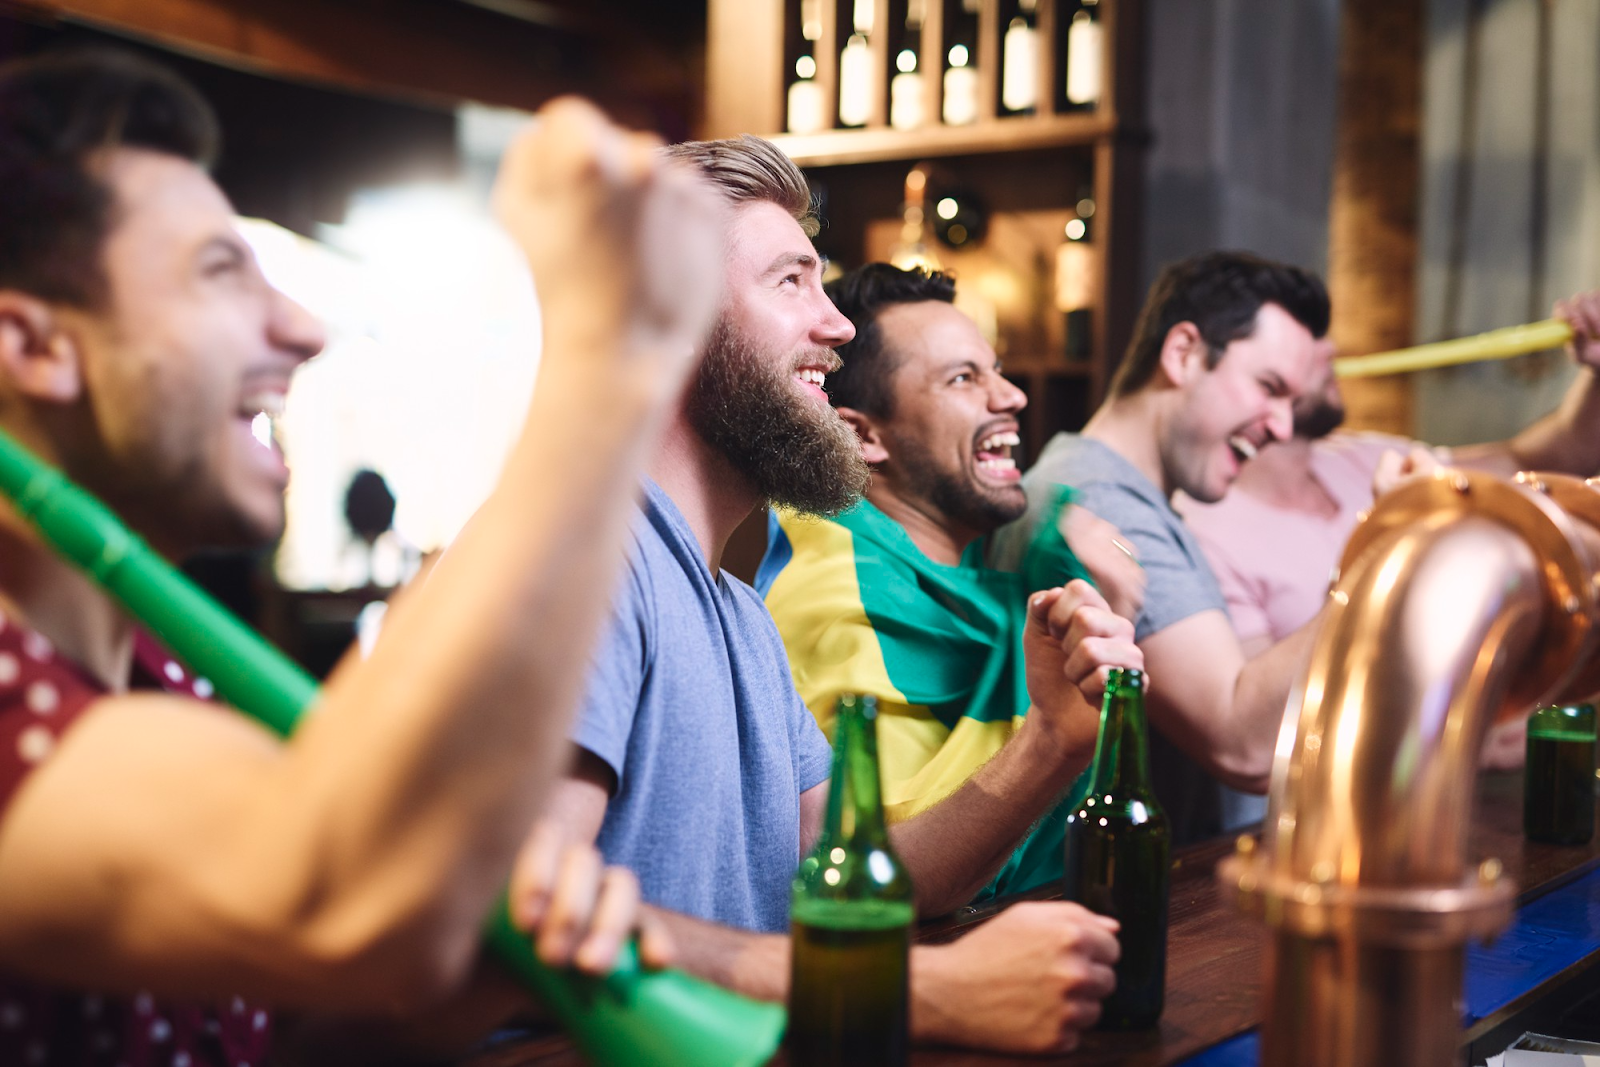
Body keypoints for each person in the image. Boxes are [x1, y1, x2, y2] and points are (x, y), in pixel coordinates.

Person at [0, 50, 716, 1064]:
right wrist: (611, 350)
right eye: (218, 268)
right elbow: (343, 892)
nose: (304, 327)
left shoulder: (163, 684)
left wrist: (473, 961)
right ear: (35, 348)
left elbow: (262, 1025)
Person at [545, 139, 1135, 1055]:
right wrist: (923, 988)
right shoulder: (584, 566)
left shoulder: (735, 608)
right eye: (792, 283)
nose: (841, 326)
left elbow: (865, 877)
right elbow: (523, 914)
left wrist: (1050, 742)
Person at [757, 262, 1146, 901]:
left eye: (996, 369)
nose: (1011, 396)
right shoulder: (841, 599)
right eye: (964, 378)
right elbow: (880, 872)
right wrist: (1052, 737)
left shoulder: (998, 563)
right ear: (862, 436)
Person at [1176, 294, 1600, 802]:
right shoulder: (1201, 528)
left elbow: (1551, 460)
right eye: (1304, 339)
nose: (1329, 348)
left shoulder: (1362, 455)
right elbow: (1260, 744)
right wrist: (1396, 541)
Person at [989, 250, 1329, 843]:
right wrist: (1387, 553)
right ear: (1184, 354)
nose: (1280, 426)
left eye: (1291, 404)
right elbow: (1246, 745)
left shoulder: (1114, 490)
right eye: (1269, 388)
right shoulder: (1103, 502)